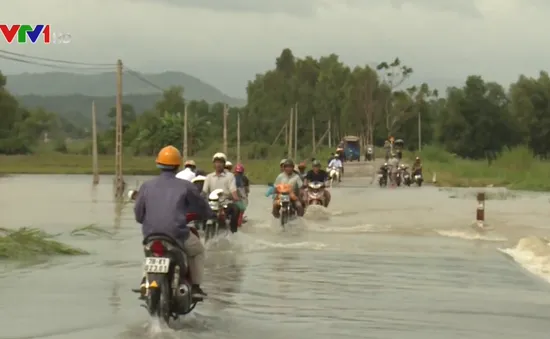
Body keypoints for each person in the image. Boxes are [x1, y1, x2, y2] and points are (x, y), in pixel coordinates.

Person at [134, 145, 210, 299]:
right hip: (177, 234)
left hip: (151, 235)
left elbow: (138, 214)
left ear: (158, 164)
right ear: (178, 165)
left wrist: (147, 222)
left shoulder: (146, 186)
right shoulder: (186, 186)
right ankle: (195, 287)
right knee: (198, 251)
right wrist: (209, 215)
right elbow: (202, 207)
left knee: (149, 253)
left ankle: (144, 281)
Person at [203, 153, 241, 233]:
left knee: (236, 209)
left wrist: (236, 198)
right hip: (212, 204)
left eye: (220, 162)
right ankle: (202, 230)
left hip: (225, 204)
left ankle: (233, 231)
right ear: (213, 164)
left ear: (224, 164)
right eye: (216, 162)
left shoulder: (230, 176)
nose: (218, 164)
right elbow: (204, 191)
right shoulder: (209, 177)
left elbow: (233, 190)